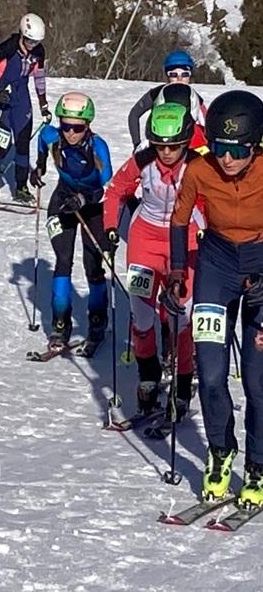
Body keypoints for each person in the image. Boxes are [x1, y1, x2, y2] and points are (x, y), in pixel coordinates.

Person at [167, 90, 263, 504]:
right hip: (216, 264)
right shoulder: (199, 170)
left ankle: (258, 464)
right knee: (209, 374)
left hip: (261, 262)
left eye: (237, 151)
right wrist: (175, 272)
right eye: (220, 148)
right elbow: (179, 218)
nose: (226, 159)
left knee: (258, 384)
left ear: (255, 145)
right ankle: (221, 451)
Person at [104, 102, 201, 417]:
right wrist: (109, 228)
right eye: (160, 144)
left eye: (174, 146)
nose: (167, 152)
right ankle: (148, 375)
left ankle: (183, 383)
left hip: (183, 243)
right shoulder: (142, 161)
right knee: (142, 317)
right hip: (144, 242)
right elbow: (116, 190)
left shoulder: (198, 165)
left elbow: (215, 202)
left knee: (181, 317)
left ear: (186, 140)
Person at [30, 92, 112, 353]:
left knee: (93, 265)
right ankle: (60, 325)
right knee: (63, 260)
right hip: (63, 200)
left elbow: (108, 187)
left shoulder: (98, 147)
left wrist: (84, 198)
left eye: (77, 128)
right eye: (65, 126)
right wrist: (39, 166)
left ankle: (97, 321)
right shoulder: (52, 136)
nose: (70, 133)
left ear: (87, 125)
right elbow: (42, 140)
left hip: (93, 206)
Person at [0, 13, 52, 204]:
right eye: (29, 41)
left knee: (22, 142)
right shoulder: (8, 48)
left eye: (36, 42)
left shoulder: (38, 52)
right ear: (22, 35)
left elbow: (39, 77)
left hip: (21, 98)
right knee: (3, 142)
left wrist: (43, 103)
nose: (32, 45)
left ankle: (21, 186)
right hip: (0, 98)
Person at [127, 50, 207, 151]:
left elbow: (206, 125)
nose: (179, 78)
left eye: (184, 74)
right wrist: (137, 144)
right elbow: (134, 114)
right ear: (167, 75)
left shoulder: (195, 98)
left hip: (189, 148)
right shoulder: (156, 94)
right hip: (159, 146)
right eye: (173, 75)